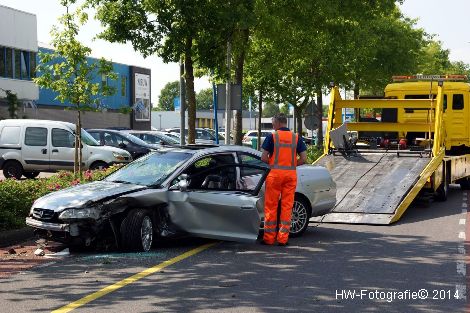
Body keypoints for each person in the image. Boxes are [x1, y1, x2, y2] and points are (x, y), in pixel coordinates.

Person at [261, 113, 307, 246]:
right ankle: (283, 239)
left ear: (278, 122)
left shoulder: (272, 136)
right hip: (290, 176)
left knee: (271, 206)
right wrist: (292, 165)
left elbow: (264, 158)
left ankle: (269, 238)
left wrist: (273, 164)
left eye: (273, 123)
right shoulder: (296, 137)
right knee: (287, 206)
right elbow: (303, 158)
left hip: (275, 175)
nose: (272, 125)